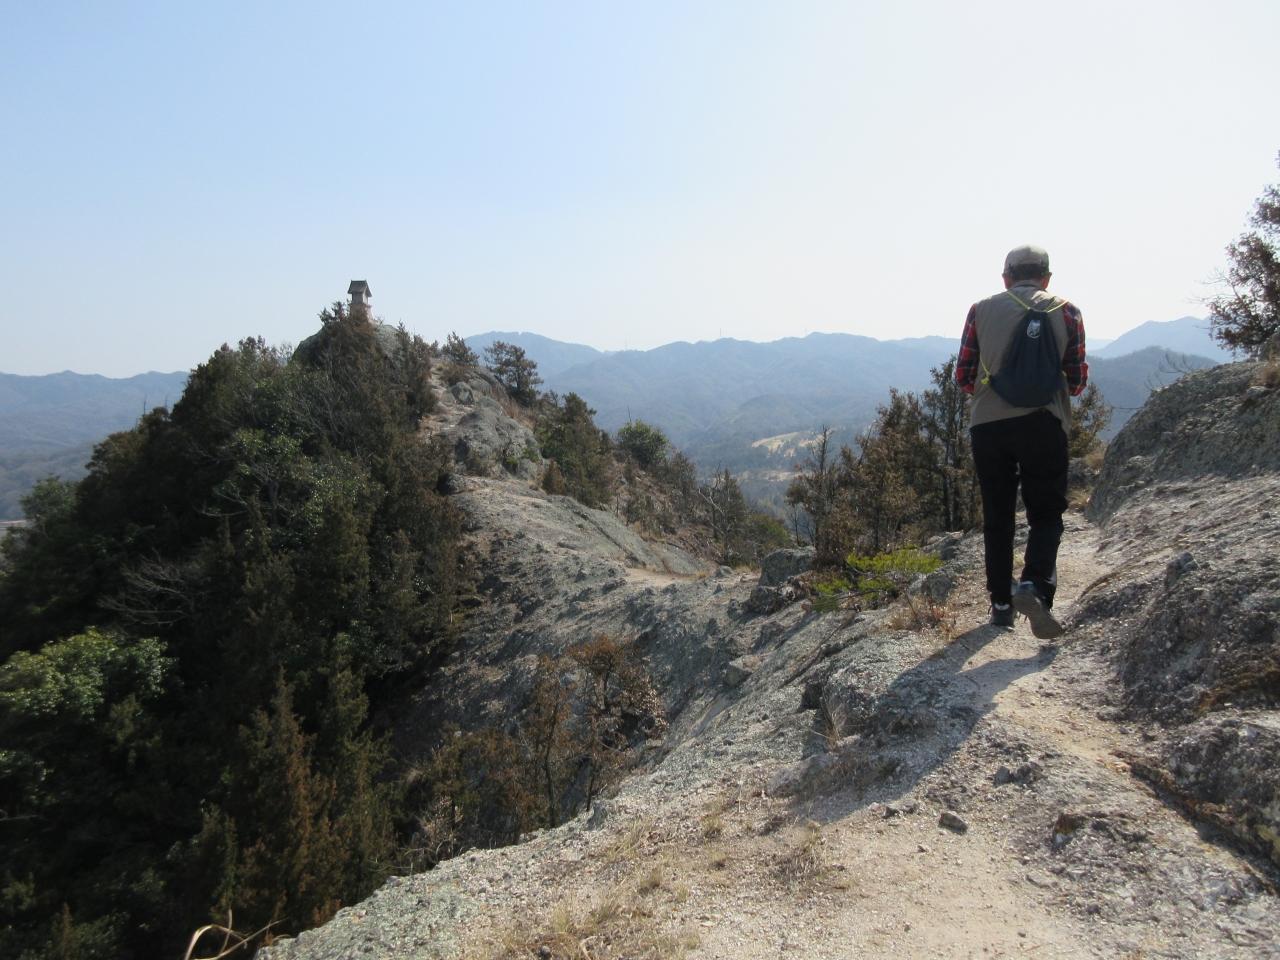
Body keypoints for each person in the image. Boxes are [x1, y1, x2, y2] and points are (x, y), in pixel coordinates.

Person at [955, 245, 1088, 638]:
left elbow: (964, 375)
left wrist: (994, 389)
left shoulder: (980, 310)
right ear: (1046, 277)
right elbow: (1076, 381)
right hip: (1044, 423)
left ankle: (1001, 605)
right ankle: (1034, 585)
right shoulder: (1068, 312)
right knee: (1046, 513)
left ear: (1006, 278)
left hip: (989, 426)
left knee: (997, 515)